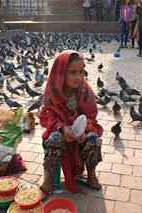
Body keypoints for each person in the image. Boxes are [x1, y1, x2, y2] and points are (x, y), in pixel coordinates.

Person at [38, 50, 103, 195]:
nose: (78, 77)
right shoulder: (53, 89)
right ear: (61, 72)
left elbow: (91, 116)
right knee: (55, 139)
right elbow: (46, 115)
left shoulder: (85, 90)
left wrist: (82, 130)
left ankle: (91, 174)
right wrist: (63, 129)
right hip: (59, 131)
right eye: (72, 72)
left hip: (81, 132)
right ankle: (48, 179)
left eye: (81, 72)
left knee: (94, 139)